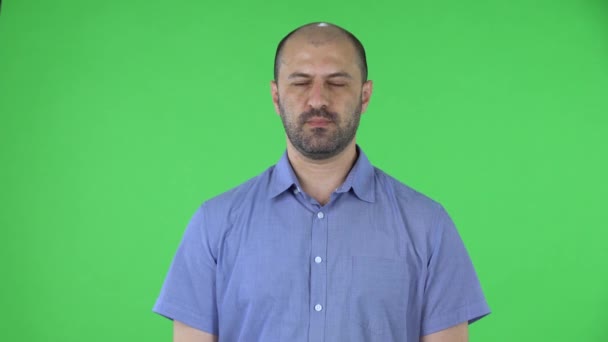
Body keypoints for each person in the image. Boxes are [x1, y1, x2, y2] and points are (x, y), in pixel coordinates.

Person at [153, 22, 490, 342]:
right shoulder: (213, 224)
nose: (317, 100)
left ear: (365, 95)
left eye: (338, 82)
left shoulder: (428, 225)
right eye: (300, 82)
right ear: (275, 96)